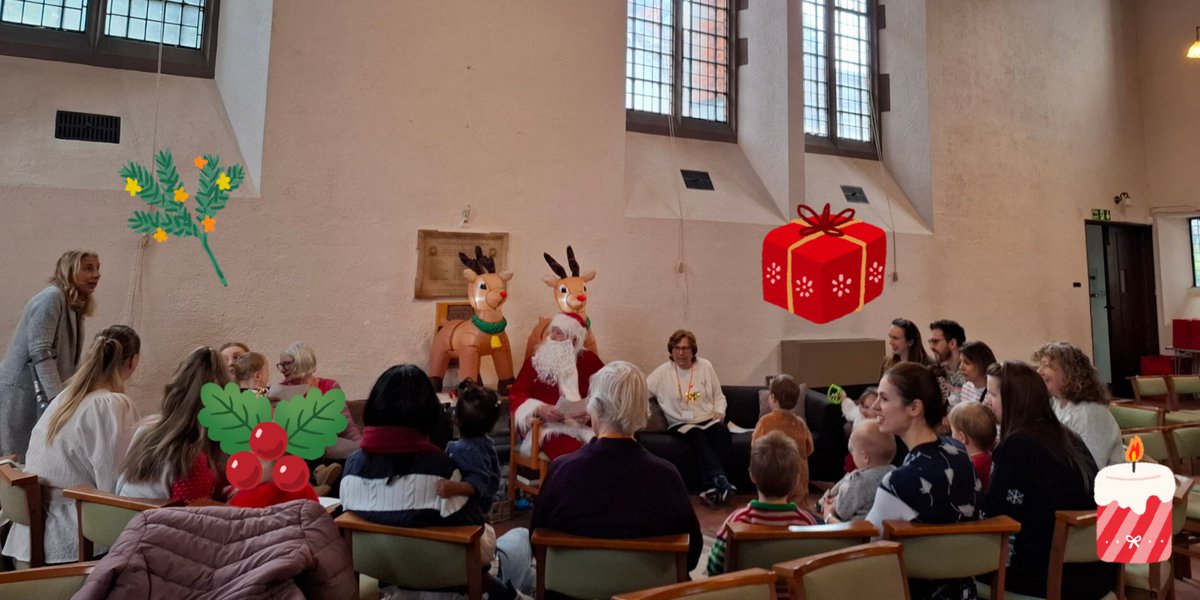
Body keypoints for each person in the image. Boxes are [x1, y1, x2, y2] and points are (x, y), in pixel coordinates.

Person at [340, 364, 527, 599]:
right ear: (430, 415)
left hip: (389, 580)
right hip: (451, 588)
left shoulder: (351, 468)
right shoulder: (443, 473)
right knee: (521, 538)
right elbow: (481, 547)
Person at [531, 361, 703, 572]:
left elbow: (537, 546)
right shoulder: (666, 476)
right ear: (643, 411)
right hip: (648, 589)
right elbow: (691, 555)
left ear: (594, 408)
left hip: (571, 587)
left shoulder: (561, 471)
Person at [2, 325, 141, 565]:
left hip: (27, 543)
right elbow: (117, 489)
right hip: (71, 547)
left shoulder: (65, 398)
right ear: (133, 361)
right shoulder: (111, 405)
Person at [982, 361, 1118, 600]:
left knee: (956, 567)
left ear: (1015, 400)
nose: (986, 402)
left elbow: (996, 516)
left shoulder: (1016, 445)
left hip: (1051, 578)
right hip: (1098, 571)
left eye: (993, 394)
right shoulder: (1066, 436)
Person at [866, 362, 980, 600]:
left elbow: (865, 542)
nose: (875, 406)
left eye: (884, 398)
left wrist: (831, 517)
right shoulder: (959, 453)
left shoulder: (899, 482)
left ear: (915, 407)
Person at [0, 250, 100, 457]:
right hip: (21, 394)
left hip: (37, 392)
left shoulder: (72, 303)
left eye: (97, 268)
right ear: (69, 270)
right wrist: (58, 400)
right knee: (14, 460)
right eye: (88, 268)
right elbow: (40, 352)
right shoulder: (52, 297)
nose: (97, 274)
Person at [117, 347, 231, 503]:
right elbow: (193, 515)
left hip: (122, 515)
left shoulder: (145, 430)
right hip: (155, 518)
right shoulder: (191, 459)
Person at [707, 431, 817, 575]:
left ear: (752, 475)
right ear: (796, 480)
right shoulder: (807, 523)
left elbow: (714, 565)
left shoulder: (736, 521)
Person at [646, 329, 735, 505]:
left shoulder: (705, 366)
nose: (681, 353)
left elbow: (719, 396)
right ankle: (720, 480)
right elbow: (641, 392)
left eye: (685, 348)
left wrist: (720, 411)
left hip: (707, 420)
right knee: (696, 435)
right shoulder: (662, 373)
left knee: (722, 432)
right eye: (677, 348)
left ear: (693, 351)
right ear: (671, 350)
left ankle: (713, 488)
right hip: (680, 423)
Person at [509, 313, 604, 460]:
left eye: (559, 333)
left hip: (585, 427)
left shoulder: (589, 361)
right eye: (552, 331)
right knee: (572, 451)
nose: (552, 336)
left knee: (606, 450)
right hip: (547, 428)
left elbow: (606, 394)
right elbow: (516, 396)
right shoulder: (535, 363)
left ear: (574, 339)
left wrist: (591, 413)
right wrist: (540, 409)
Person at [269, 342, 361, 493]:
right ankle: (314, 481)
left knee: (355, 454)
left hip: (328, 445)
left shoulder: (329, 386)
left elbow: (347, 424)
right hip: (297, 447)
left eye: (287, 364)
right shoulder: (279, 389)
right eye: (281, 365)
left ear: (303, 361)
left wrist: (361, 447)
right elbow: (251, 392)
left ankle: (317, 480)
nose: (283, 369)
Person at [1033, 342, 1123, 469]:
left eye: (1046, 366)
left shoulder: (1088, 413)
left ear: (1068, 373)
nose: (1039, 371)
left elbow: (1091, 467)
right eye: (1040, 365)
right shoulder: (1055, 403)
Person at [436, 378, 503, 517]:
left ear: (456, 420)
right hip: (484, 508)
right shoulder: (487, 443)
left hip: (470, 510)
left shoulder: (461, 449)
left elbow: (478, 483)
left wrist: (453, 488)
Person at [818, 419, 896, 523]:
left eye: (853, 450)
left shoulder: (858, 480)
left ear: (865, 457)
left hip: (857, 529)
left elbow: (842, 511)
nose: (852, 454)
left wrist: (831, 507)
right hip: (885, 527)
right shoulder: (894, 473)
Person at [752, 374, 814, 501]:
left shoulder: (765, 422)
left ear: (773, 398)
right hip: (797, 480)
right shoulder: (800, 423)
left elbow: (755, 446)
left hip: (772, 478)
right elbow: (809, 448)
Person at [948, 401, 996, 492]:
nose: (951, 436)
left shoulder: (968, 466)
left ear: (962, 437)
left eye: (952, 432)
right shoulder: (991, 456)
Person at [929, 320, 966, 404]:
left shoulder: (969, 373)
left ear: (952, 343)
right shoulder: (934, 373)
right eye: (930, 342)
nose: (931, 347)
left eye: (935, 342)